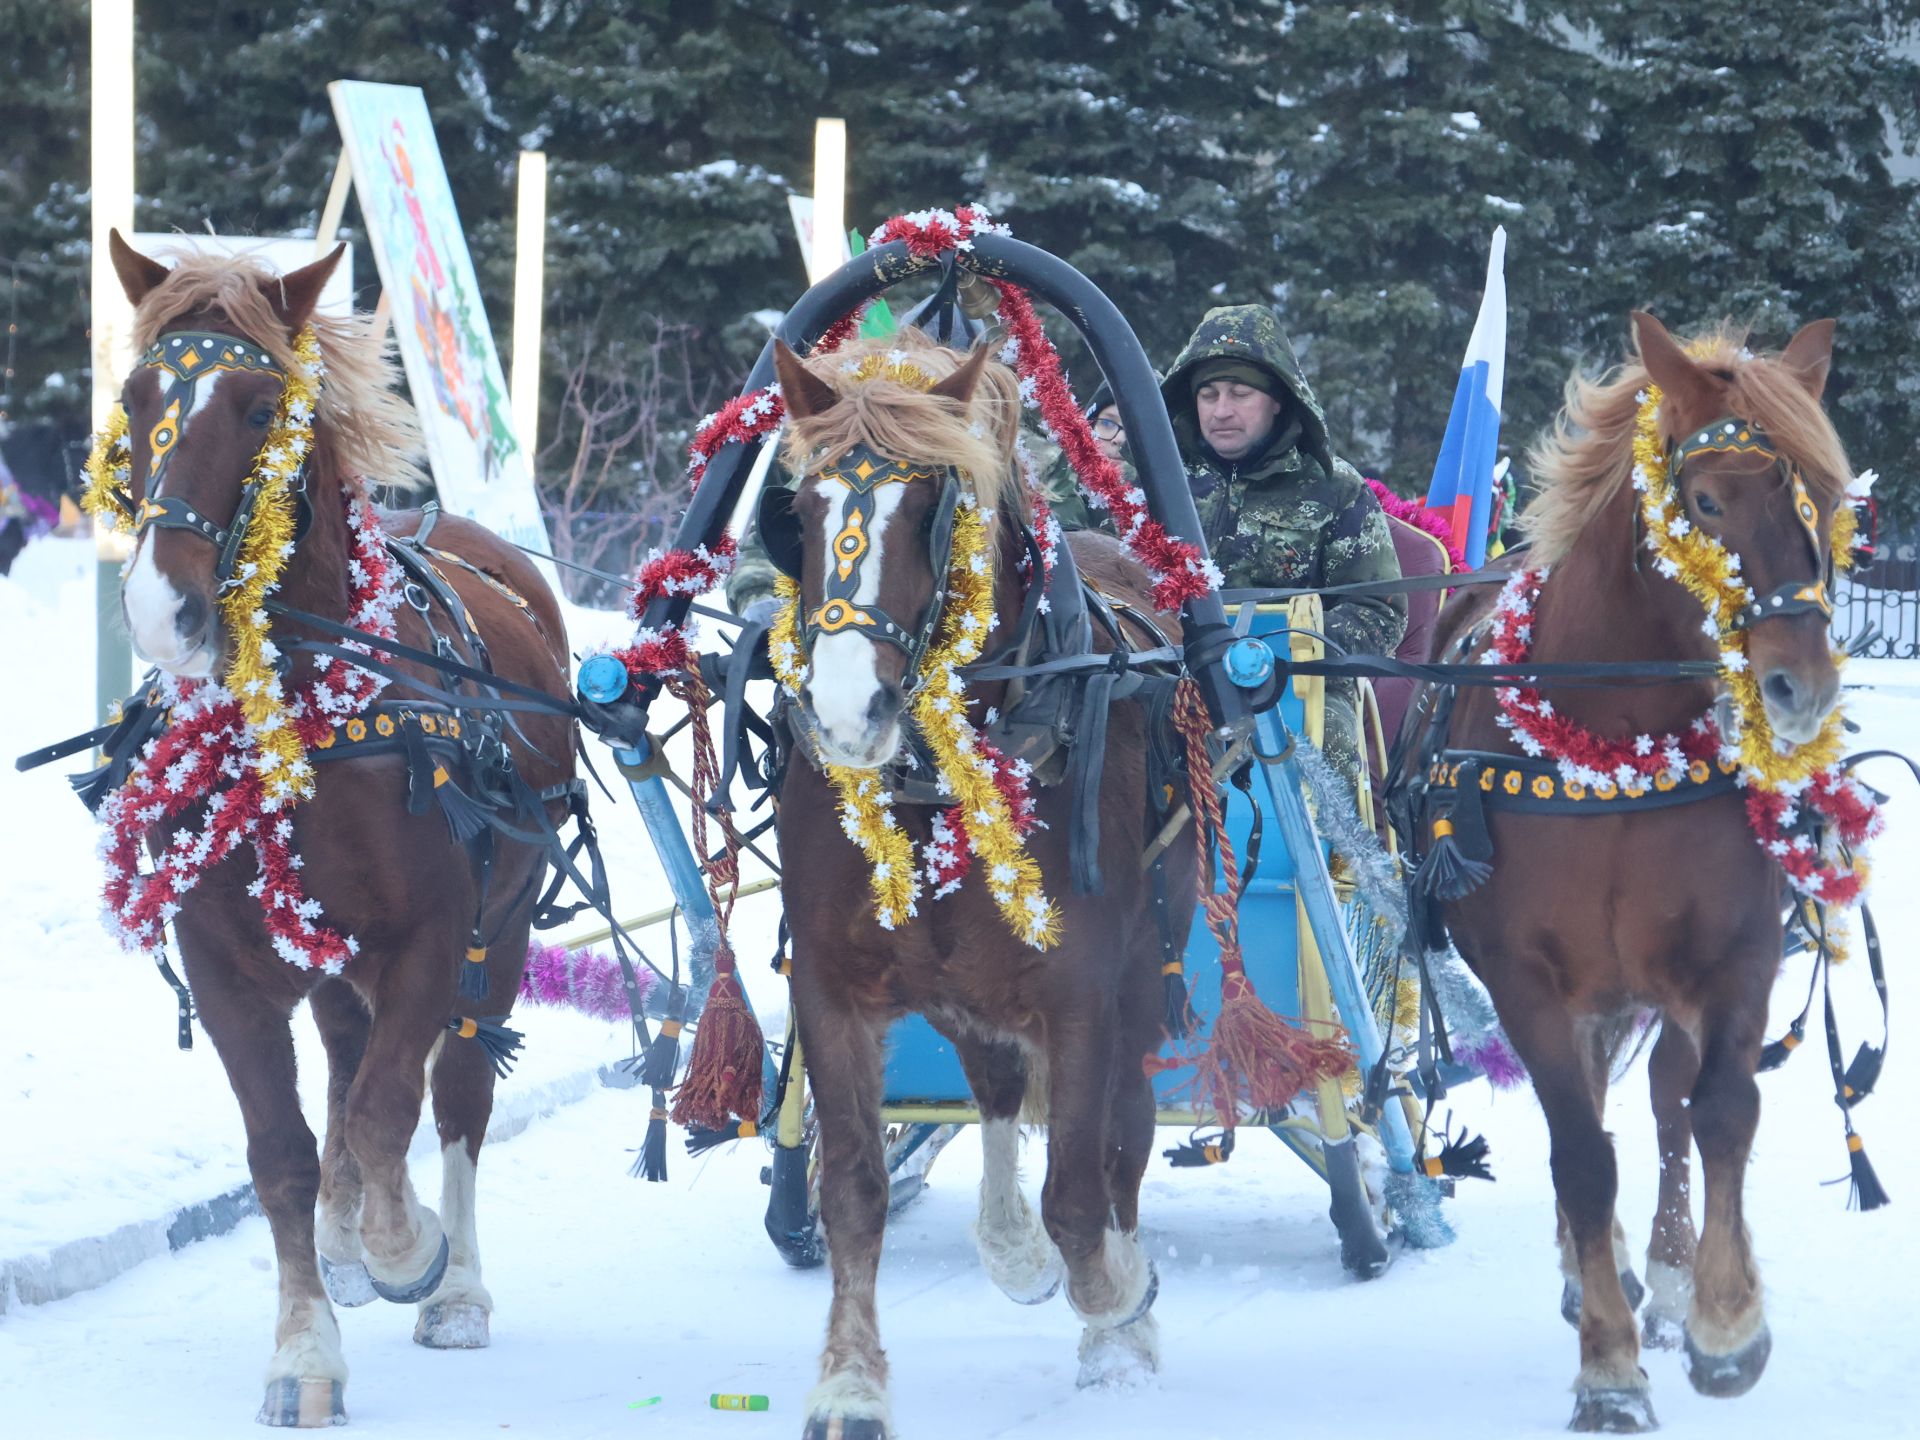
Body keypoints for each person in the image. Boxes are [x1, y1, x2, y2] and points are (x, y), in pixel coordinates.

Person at [1160, 304, 1405, 806]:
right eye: (1208, 394)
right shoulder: (1154, 483)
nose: (1220, 410)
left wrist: (1288, 653)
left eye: (1240, 393)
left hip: (1292, 688)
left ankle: (1314, 873)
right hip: (1163, 677)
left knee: (1325, 738)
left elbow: (1380, 611)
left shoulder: (1336, 489)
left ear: (1277, 401)